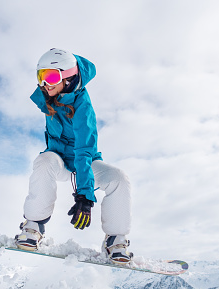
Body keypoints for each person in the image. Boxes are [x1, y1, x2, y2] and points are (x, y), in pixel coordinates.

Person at [15, 48, 133, 264]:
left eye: (51, 77)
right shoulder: (50, 94)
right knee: (44, 161)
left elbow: (83, 151)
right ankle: (33, 227)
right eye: (41, 76)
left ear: (68, 78)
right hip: (58, 161)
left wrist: (85, 195)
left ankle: (116, 240)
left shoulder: (83, 107)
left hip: (85, 163)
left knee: (118, 178)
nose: (44, 84)